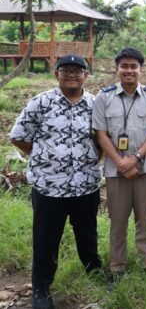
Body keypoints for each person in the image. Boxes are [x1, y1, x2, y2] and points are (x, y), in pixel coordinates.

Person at [9, 55, 102, 309]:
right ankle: (41, 287)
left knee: (87, 233)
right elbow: (18, 136)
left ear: (85, 75)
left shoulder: (96, 104)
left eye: (77, 70)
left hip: (86, 184)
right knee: (46, 238)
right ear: (56, 74)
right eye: (66, 70)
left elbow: (102, 141)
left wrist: (91, 159)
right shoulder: (41, 103)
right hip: (49, 186)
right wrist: (43, 157)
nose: (72, 74)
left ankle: (94, 272)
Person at [93, 47, 146, 281]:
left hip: (144, 168)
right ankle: (117, 266)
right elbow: (101, 134)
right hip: (116, 171)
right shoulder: (103, 97)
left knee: (144, 219)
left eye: (133, 66)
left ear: (140, 69)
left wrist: (134, 159)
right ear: (117, 69)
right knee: (118, 220)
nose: (129, 70)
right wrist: (121, 162)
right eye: (124, 66)